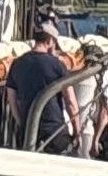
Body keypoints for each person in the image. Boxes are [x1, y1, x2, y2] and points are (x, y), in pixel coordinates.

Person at [7, 18, 74, 152]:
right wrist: (77, 131)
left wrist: (22, 124)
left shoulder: (17, 64)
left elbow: (12, 101)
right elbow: (71, 101)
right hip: (54, 132)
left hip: (28, 132)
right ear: (50, 41)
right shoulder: (57, 65)